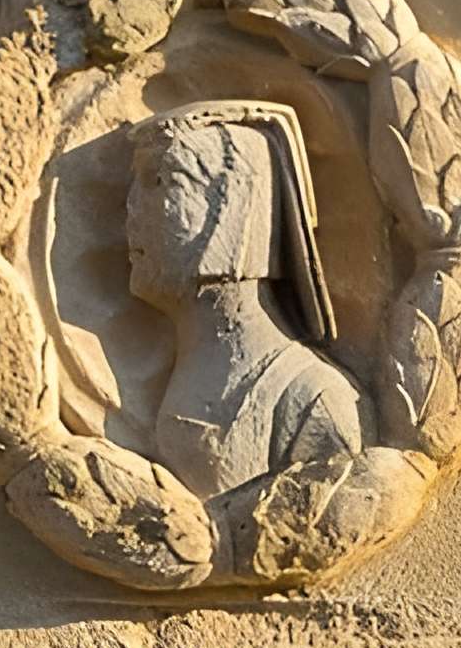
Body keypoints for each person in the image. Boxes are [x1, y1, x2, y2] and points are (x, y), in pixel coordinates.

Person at [126, 98, 365, 502]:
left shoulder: (312, 398)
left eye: (161, 181)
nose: (131, 208)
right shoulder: (164, 379)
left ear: (230, 212)